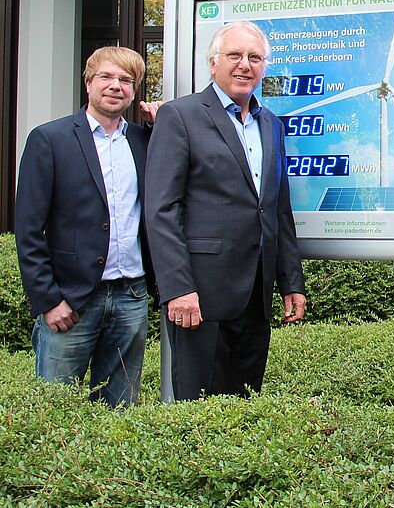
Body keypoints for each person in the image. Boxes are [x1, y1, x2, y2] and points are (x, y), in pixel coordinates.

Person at [145, 21, 306, 401]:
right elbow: (161, 209)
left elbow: (277, 209)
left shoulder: (271, 124)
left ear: (264, 66)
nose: (244, 65)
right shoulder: (180, 116)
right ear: (213, 63)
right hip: (199, 297)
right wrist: (178, 288)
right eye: (234, 55)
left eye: (254, 57)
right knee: (198, 413)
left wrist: (291, 282)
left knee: (244, 408)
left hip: (255, 295)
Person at [15, 46, 160, 407]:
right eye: (106, 77)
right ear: (88, 82)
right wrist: (49, 301)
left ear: (134, 89)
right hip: (71, 300)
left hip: (131, 298)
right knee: (54, 412)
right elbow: (29, 229)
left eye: (126, 80)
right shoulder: (50, 139)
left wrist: (163, 125)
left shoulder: (144, 141)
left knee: (119, 413)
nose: (116, 86)